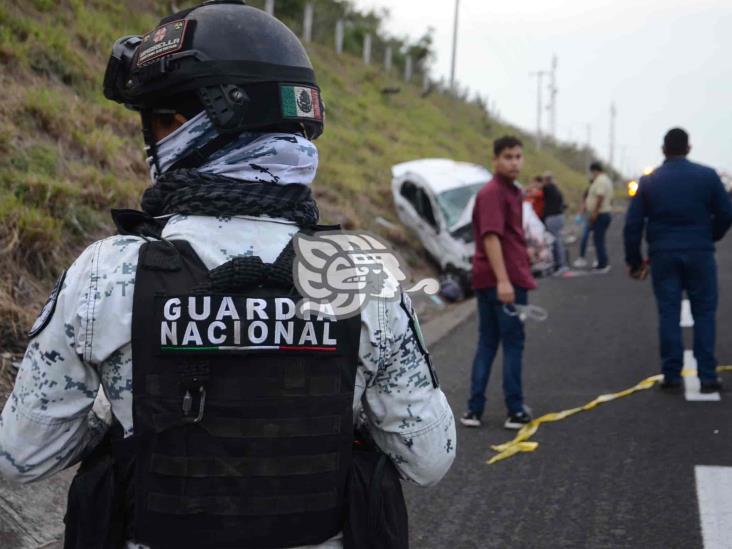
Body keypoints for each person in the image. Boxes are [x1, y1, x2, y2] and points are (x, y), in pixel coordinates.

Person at [0, 3, 455, 548]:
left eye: (157, 118)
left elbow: (20, 456)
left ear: (181, 124)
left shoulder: (106, 274)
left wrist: (117, 405)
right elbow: (429, 459)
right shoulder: (360, 275)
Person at [624, 128, 732, 392]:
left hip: (663, 253)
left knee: (668, 312)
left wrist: (635, 261)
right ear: (689, 147)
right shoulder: (708, 176)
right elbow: (726, 212)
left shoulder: (650, 181)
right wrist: (711, 235)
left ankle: (671, 374)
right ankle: (707, 376)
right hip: (700, 251)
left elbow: (633, 224)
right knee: (704, 313)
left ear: (663, 150)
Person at [461, 136, 537, 430]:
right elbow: (491, 237)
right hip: (503, 281)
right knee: (512, 343)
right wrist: (504, 281)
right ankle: (515, 409)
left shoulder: (510, 191)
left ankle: (474, 410)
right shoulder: (494, 192)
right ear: (495, 159)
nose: (514, 162)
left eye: (518, 156)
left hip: (493, 278)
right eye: (508, 156)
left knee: (488, 342)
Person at [583, 161, 614, 272]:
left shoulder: (600, 181)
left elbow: (600, 197)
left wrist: (595, 213)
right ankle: (602, 262)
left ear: (595, 170)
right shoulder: (606, 180)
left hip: (600, 214)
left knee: (598, 240)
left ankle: (602, 264)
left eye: (592, 172)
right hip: (604, 212)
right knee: (599, 239)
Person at [541, 171, 568, 273]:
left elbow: (539, 189)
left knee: (554, 241)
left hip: (552, 217)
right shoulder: (556, 189)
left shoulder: (548, 188)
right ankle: (560, 264)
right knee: (558, 240)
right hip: (559, 216)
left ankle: (559, 265)